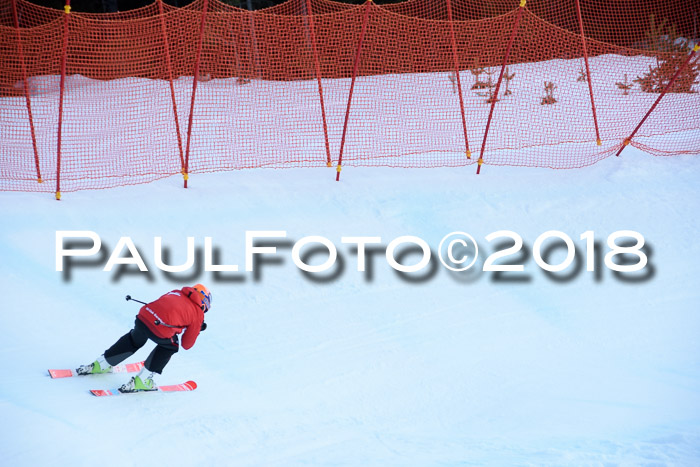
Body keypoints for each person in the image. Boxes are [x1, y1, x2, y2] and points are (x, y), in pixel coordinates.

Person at [77, 284, 212, 392]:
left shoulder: (176, 291)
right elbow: (187, 344)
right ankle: (142, 380)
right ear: (204, 302)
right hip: (160, 327)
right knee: (171, 345)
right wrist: (196, 328)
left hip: (144, 316)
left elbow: (166, 308)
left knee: (135, 339)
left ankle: (101, 364)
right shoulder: (198, 313)